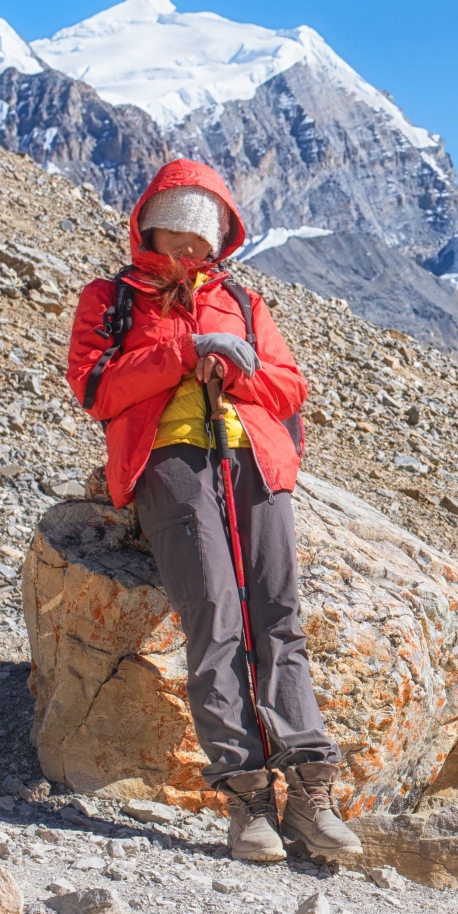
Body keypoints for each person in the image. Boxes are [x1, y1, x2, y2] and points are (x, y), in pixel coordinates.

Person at [65, 159, 362, 866]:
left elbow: (290, 389)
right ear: (149, 230)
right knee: (215, 619)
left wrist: (238, 368)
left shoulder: (247, 304)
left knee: (279, 615)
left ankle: (311, 791)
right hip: (169, 463)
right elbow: (96, 385)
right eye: (176, 240)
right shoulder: (111, 299)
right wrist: (183, 352)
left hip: (254, 462)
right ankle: (248, 799)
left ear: (223, 241)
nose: (189, 256)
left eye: (202, 243)